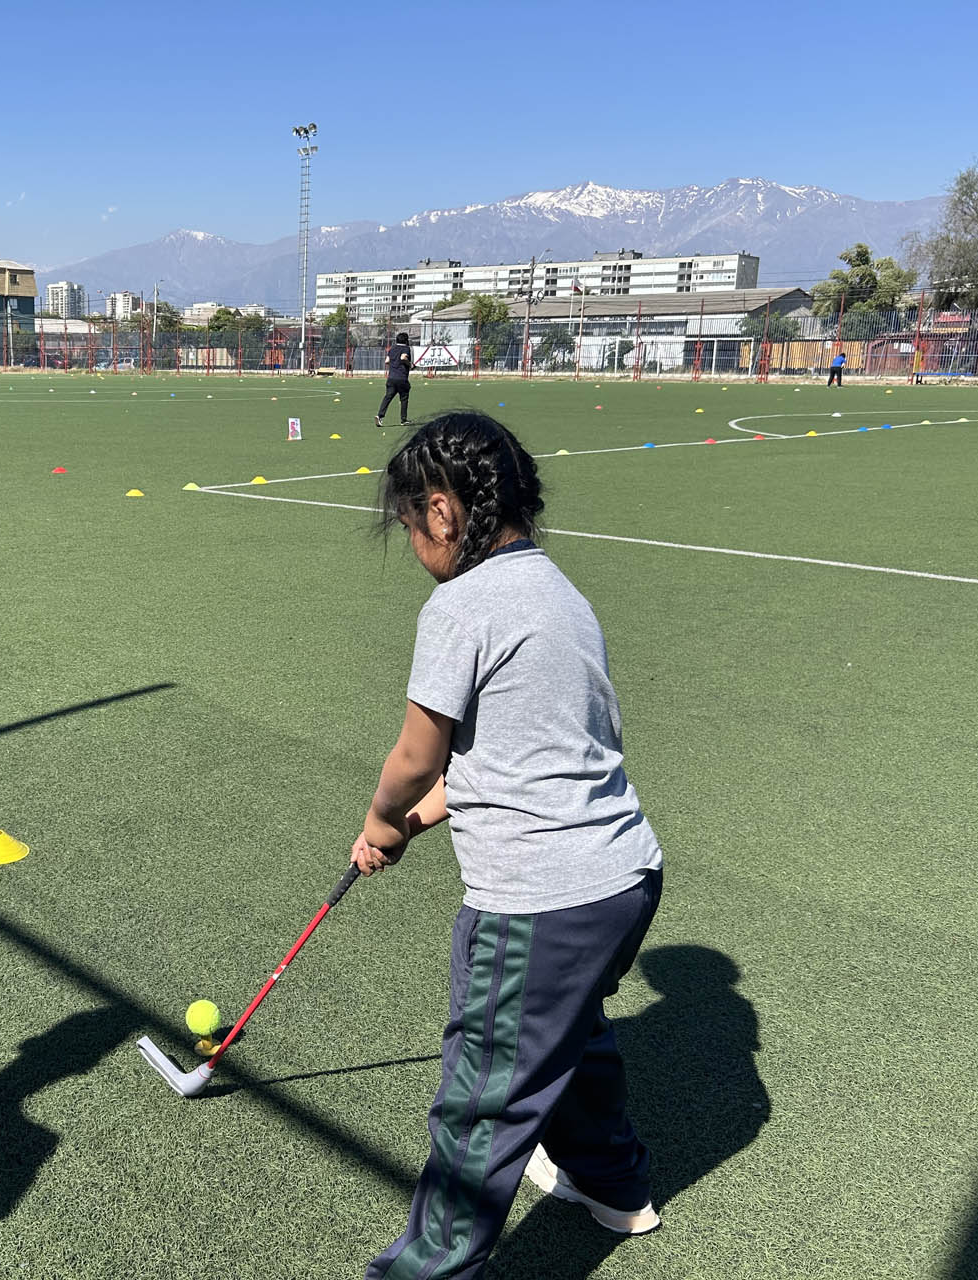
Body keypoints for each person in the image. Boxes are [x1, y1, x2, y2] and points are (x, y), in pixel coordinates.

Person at [354, 411, 665, 1279]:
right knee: (570, 1032)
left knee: (482, 1101)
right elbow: (511, 758)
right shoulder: (558, 592)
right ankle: (611, 1184)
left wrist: (381, 818)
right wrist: (411, 829)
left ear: (442, 511)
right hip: (623, 878)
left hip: (540, 901)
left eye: (410, 525)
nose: (414, 543)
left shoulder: (461, 603)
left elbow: (416, 758)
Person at [376, 331, 413, 427]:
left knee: (388, 397)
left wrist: (394, 365)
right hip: (401, 378)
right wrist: (410, 365)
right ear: (406, 340)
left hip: (391, 377)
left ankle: (380, 416)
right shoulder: (406, 348)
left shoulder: (392, 348)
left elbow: (387, 361)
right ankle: (403, 420)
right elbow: (403, 357)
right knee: (404, 398)